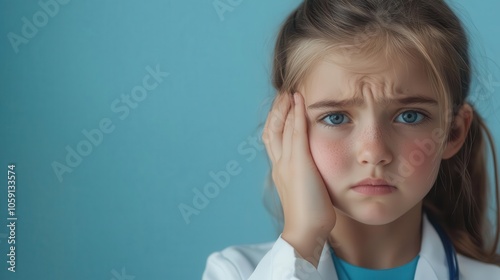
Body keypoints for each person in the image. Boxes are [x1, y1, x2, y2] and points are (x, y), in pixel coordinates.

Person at [202, 0, 500, 279]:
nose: (374, 152)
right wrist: (304, 237)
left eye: (410, 116)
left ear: (453, 132)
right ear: (285, 128)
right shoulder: (236, 272)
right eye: (336, 117)